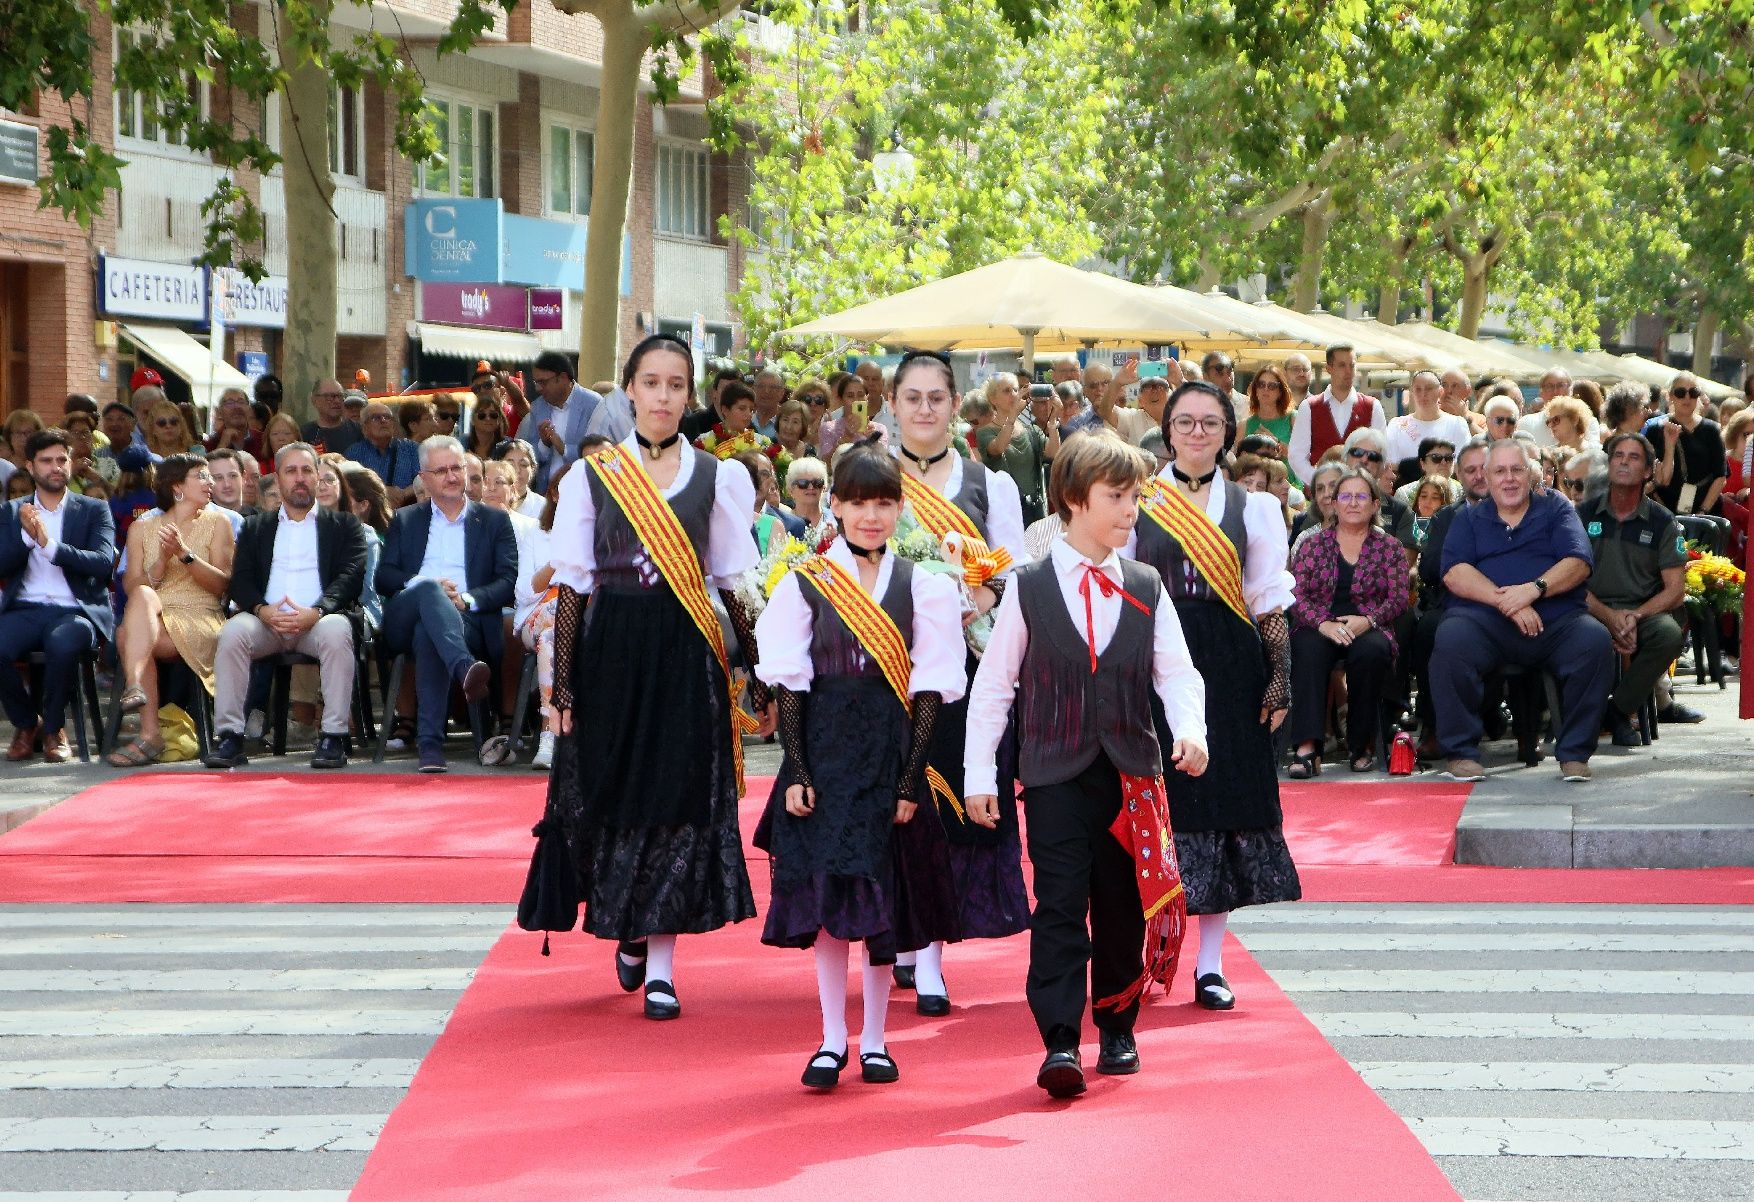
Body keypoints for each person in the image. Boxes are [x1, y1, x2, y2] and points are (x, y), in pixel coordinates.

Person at [966, 430, 1208, 1097]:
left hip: (1131, 771)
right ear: (1074, 500)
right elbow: (994, 687)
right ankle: (1060, 1041)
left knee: (1123, 904)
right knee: (1061, 904)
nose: (1131, 510)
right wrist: (979, 777)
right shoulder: (1027, 588)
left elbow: (1178, 673)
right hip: (1051, 772)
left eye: (1134, 496)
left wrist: (1191, 731)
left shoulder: (1147, 584)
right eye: (1117, 496)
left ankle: (1118, 1024)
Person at [545, 333, 773, 1022]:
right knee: (619, 797)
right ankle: (632, 929)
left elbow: (730, 580)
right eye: (651, 383)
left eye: (677, 385)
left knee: (681, 802)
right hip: (613, 649)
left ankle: (663, 968)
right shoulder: (593, 475)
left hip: (686, 651)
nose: (664, 396)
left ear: (689, 394)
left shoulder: (719, 476)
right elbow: (573, 587)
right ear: (630, 390)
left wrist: (758, 668)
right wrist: (562, 687)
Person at [752, 441, 966, 1089]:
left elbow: (929, 689)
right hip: (824, 755)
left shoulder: (923, 584)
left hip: (888, 758)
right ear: (834, 506)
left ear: (900, 509)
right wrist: (798, 772)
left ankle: (875, 1040)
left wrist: (909, 779)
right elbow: (790, 685)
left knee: (883, 905)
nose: (871, 516)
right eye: (858, 503)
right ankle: (830, 1039)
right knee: (829, 904)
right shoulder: (806, 582)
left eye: (883, 504)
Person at [1124, 381, 1298, 1012]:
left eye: (1209, 422)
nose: (1197, 433)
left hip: (1228, 659)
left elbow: (1268, 596)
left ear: (1227, 431)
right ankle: (1145, 950)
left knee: (1221, 804)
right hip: (1152, 655)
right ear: (1167, 431)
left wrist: (1279, 674)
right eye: (1185, 423)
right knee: (1159, 803)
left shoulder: (1253, 508)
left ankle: (1209, 963)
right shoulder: (1137, 499)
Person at [884, 349, 1029, 1015]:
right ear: (891, 403)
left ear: (954, 404)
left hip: (965, 668)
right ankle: (900, 937)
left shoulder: (986, 482)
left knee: (945, 803)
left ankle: (934, 955)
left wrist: (984, 589)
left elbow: (1011, 567)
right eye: (911, 397)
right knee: (895, 803)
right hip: (886, 665)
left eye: (935, 397)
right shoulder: (869, 476)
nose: (923, 409)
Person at [1431, 440, 1613, 782]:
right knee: (1450, 640)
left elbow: (1579, 562)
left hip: (1555, 619)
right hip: (1486, 621)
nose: (1509, 479)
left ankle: (1574, 753)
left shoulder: (1556, 508)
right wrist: (1508, 602)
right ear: (1486, 477)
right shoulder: (1469, 517)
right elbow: (1455, 572)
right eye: (1500, 471)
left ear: (1531, 474)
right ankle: (1460, 753)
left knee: (1595, 641)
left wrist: (1533, 590)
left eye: (1517, 469)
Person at [205, 443, 366, 771]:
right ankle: (230, 736)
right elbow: (241, 579)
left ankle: (332, 737)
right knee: (234, 632)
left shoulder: (344, 526)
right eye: (291, 471)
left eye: (307, 470)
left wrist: (317, 611)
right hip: (267, 622)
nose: (300, 478)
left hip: (319, 620)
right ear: (277, 480)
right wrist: (261, 610)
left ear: (319, 476)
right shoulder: (256, 527)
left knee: (338, 631)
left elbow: (350, 577)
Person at [374, 436, 514, 773]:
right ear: (423, 477)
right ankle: (465, 668)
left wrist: (467, 600)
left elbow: (509, 581)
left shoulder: (493, 521)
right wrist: (425, 586)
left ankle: (431, 747)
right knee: (429, 594)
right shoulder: (407, 519)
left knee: (429, 634)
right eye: (441, 471)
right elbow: (385, 577)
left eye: (457, 468)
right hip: (404, 618)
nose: (451, 476)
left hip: (467, 620)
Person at [109, 454, 235, 767]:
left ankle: (144, 718)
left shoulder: (218, 522)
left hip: (200, 614)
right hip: (153, 614)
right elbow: (130, 586)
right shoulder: (142, 528)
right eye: (202, 476)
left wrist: (184, 554)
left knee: (127, 636)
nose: (211, 483)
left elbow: (222, 585)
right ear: (177, 486)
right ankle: (148, 723)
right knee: (143, 596)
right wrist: (163, 562)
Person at [0, 429, 118, 763]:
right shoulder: (11, 511)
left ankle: (54, 729)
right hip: (25, 608)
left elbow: (102, 563)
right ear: (29, 465)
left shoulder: (94, 509)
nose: (56, 467)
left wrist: (49, 546)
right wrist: (26, 538)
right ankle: (27, 724)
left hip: (75, 609)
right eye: (47, 461)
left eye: (62, 460)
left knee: (63, 644)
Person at [1287, 469, 1409, 775]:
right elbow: (1296, 595)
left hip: (1369, 626)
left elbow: (1398, 599)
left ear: (1375, 504)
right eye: (1345, 496)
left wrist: (1368, 620)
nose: (1353, 503)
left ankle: (1361, 744)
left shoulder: (1389, 547)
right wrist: (1323, 624)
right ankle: (1307, 746)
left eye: (1361, 496)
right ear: (1334, 504)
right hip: (1319, 625)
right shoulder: (1312, 545)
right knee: (1307, 648)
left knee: (1371, 652)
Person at [1576, 433, 1691, 745]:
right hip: (1590, 609)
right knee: (1578, 634)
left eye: (1634, 457)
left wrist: (1635, 616)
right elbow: (1569, 579)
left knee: (1668, 634)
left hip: (1642, 611)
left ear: (1648, 471)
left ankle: (1617, 710)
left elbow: (1675, 590)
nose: (1624, 461)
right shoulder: (1582, 516)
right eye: (1618, 455)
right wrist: (1610, 617)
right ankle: (1581, 716)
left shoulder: (1662, 521)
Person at [1410, 439, 1491, 756]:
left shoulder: (1516, 512)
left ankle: (1493, 716)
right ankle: (1432, 726)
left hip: (1503, 602)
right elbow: (1430, 569)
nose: (1479, 476)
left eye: (1485, 469)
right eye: (1470, 470)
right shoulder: (1446, 517)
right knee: (1428, 631)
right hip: (1452, 601)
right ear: (1460, 475)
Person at [1287, 345, 1386, 486]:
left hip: (1360, 493)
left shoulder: (1372, 406)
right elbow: (1296, 456)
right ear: (1329, 368)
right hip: (1321, 497)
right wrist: (1320, 482)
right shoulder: (1309, 407)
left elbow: (1380, 454)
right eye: (1342, 365)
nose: (1348, 371)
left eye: (1352, 365)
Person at [978, 372, 1056, 525]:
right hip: (1004, 512)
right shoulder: (985, 432)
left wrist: (1053, 420)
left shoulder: (1030, 430)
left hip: (1033, 509)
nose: (1014, 395)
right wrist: (1013, 415)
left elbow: (1053, 453)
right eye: (1007, 391)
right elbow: (998, 448)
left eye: (1016, 389)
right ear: (992, 399)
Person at [524, 350, 604, 492]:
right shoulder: (538, 407)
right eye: (536, 382)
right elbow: (529, 455)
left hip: (583, 491)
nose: (538, 389)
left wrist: (563, 448)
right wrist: (544, 444)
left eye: (543, 382)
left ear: (563, 377)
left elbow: (600, 455)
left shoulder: (593, 404)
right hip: (546, 494)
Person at [1650, 372, 1726, 516]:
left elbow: (1721, 476)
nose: (1687, 397)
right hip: (1664, 512)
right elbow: (1652, 478)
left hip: (1706, 513)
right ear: (1670, 396)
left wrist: (1702, 511)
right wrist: (1664, 513)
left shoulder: (1712, 430)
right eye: (1680, 392)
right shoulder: (1656, 430)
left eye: (1693, 392)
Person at [344, 402, 422, 506]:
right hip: (371, 514)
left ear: (393, 425)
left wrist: (403, 494)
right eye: (376, 418)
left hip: (408, 511)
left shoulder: (412, 448)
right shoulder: (354, 453)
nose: (383, 421)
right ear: (364, 429)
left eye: (387, 417)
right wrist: (383, 491)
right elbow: (349, 485)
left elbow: (425, 477)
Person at [1385, 370, 1471, 464]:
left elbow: (1463, 464)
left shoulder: (1457, 424)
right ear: (1412, 392)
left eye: (1429, 389)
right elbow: (1390, 463)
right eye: (1418, 389)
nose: (1423, 394)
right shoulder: (1397, 425)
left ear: (1440, 391)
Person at [341, 466, 389, 631]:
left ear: (363, 505)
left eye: (344, 498)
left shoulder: (376, 539)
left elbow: (367, 592)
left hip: (367, 615)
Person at [695, 381, 774, 460]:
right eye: (742, 408)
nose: (749, 414)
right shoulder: (704, 441)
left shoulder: (761, 442)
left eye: (751, 409)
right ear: (725, 410)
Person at [1238, 363, 1296, 458]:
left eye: (1272, 386)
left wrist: (1275, 443)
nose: (1265, 389)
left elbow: (1304, 458)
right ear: (1255, 389)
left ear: (1281, 391)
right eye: (1261, 384)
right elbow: (1240, 463)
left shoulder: (1294, 419)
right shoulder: (1243, 426)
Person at [299, 377, 363, 455]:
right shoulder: (304, 434)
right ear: (315, 400)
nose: (336, 401)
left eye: (340, 396)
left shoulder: (358, 431)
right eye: (329, 397)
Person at [1394, 439, 1462, 508]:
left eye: (1449, 457)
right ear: (1422, 463)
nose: (1444, 463)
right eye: (1436, 458)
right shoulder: (1404, 494)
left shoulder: (1461, 490)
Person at [783, 455, 833, 546]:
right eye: (803, 483)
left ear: (824, 487)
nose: (811, 487)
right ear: (790, 490)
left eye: (817, 483)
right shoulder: (782, 523)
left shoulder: (834, 520)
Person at [492, 438, 546, 520]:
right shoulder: (486, 501)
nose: (517, 470)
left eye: (523, 465)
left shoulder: (543, 507)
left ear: (533, 469)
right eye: (510, 464)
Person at [206, 389, 265, 460]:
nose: (237, 407)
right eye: (230, 403)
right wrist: (222, 445)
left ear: (249, 409)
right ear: (220, 412)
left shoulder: (263, 440)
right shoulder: (210, 444)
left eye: (241, 402)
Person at [1200, 350, 1248, 421]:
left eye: (1229, 372)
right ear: (1206, 377)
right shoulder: (1197, 407)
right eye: (1220, 374)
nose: (1227, 379)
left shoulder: (1248, 406)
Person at [1440, 368, 1487, 435]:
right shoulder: (1430, 415)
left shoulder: (1480, 420)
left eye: (1455, 386)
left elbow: (1487, 442)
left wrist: (1464, 417)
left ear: (1468, 391)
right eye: (1444, 385)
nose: (1449, 391)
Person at [752, 367, 786, 438]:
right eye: (761, 386)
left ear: (781, 393)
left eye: (773, 387)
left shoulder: (787, 425)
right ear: (753, 390)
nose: (766, 391)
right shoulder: (745, 419)